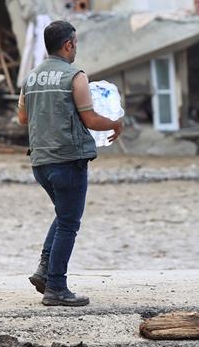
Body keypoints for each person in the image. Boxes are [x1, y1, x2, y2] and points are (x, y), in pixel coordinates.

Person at [17, 20, 122, 306]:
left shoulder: (31, 77)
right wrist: (115, 123)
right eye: (75, 43)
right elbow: (91, 119)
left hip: (40, 162)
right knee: (69, 222)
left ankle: (44, 271)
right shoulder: (75, 76)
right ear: (68, 44)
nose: (76, 47)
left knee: (63, 215)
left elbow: (22, 119)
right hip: (68, 160)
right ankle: (56, 288)